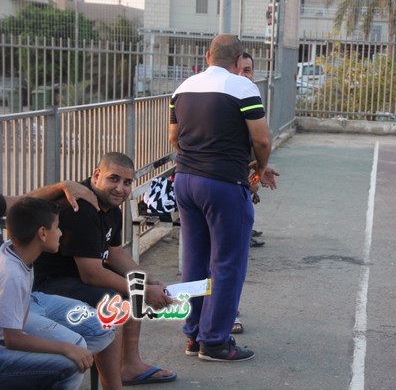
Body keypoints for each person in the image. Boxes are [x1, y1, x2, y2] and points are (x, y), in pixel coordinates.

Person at [169, 34, 278, 362]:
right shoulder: (243, 88)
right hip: (224, 184)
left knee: (194, 260)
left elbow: (174, 138)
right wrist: (259, 167)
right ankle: (215, 341)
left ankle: (193, 334)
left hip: (185, 181)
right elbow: (261, 139)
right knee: (227, 263)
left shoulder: (182, 88)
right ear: (237, 61)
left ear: (207, 56)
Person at [33, 152, 177, 386]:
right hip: (48, 284)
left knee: (136, 285)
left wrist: (151, 281)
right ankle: (113, 384)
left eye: (127, 182)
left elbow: (115, 254)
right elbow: (91, 274)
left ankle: (130, 365)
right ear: (97, 174)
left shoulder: (111, 206)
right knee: (116, 301)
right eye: (114, 179)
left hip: (76, 278)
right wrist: (141, 290)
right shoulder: (82, 208)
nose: (120, 188)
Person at [0, 198, 116, 389]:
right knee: (70, 363)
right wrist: (66, 348)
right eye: (58, 227)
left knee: (85, 342)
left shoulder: (15, 253)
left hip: (12, 331)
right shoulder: (13, 275)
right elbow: (12, 339)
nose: (61, 233)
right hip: (5, 345)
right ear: (43, 233)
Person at [237, 51, 267, 249]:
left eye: (247, 70)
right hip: (231, 169)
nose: (243, 75)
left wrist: (261, 168)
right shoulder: (231, 96)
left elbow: (259, 139)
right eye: (238, 70)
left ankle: (245, 230)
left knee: (251, 188)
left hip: (244, 161)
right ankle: (242, 234)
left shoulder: (251, 92)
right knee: (245, 191)